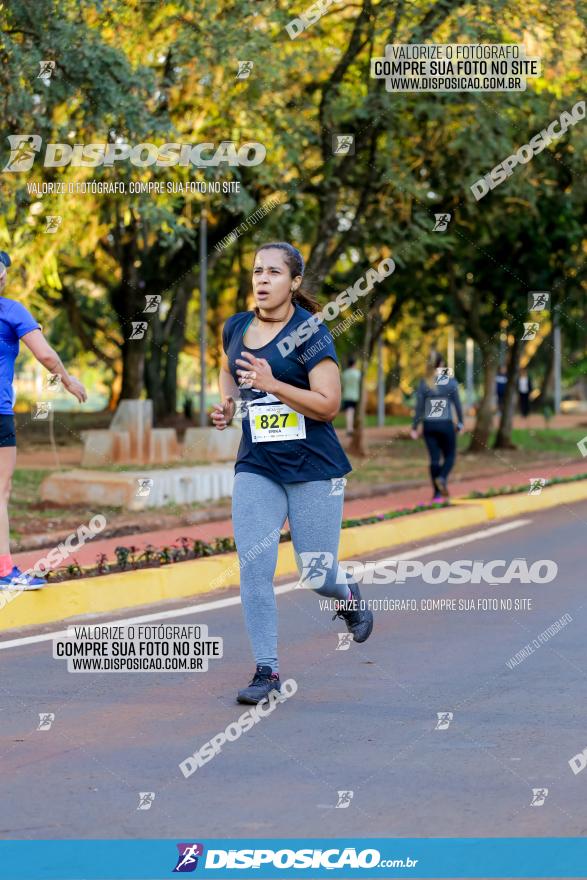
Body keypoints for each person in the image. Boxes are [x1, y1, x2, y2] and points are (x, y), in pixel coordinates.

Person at [211, 241, 373, 704]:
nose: (262, 280)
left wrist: (272, 384)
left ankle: (348, 594)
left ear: (294, 282)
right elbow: (229, 372)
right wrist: (229, 404)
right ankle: (267, 671)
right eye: (257, 271)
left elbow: (327, 406)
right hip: (258, 465)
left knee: (316, 572)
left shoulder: (311, 333)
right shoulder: (236, 326)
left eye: (273, 273)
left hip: (313, 467)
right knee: (254, 568)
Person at [0, 251, 87, 589]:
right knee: (1, 492)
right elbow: (46, 354)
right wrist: (67, 379)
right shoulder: (11, 310)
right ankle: (4, 570)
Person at [410, 354, 463, 503]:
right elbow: (457, 404)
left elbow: (419, 407)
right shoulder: (448, 381)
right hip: (445, 424)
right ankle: (442, 478)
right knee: (450, 456)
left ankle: (437, 494)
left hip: (429, 425)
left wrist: (414, 427)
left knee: (434, 460)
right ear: (442, 364)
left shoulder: (424, 382)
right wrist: (460, 423)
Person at [341, 357, 361, 436]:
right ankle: (355, 429)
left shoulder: (345, 374)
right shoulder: (358, 374)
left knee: (349, 413)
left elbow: (342, 386)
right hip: (356, 396)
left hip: (347, 396)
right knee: (355, 413)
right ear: (354, 364)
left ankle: (349, 429)